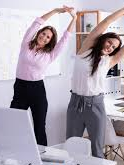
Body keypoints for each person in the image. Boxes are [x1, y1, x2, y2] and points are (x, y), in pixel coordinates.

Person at [66, 4, 124, 158]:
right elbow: (104, 24)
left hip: (95, 105)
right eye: (109, 43)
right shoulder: (85, 50)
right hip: (75, 103)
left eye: (114, 47)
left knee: (97, 149)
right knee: (72, 146)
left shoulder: (109, 61)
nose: (111, 47)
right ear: (103, 40)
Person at [10, 6, 77, 146]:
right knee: (14, 124)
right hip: (20, 88)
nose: (44, 37)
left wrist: (74, 18)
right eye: (44, 33)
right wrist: (55, 11)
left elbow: (65, 39)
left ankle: (43, 158)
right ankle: (15, 152)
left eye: (48, 37)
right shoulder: (26, 44)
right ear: (39, 33)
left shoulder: (50, 54)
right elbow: (37, 22)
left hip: (37, 90)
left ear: (50, 41)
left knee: (39, 127)